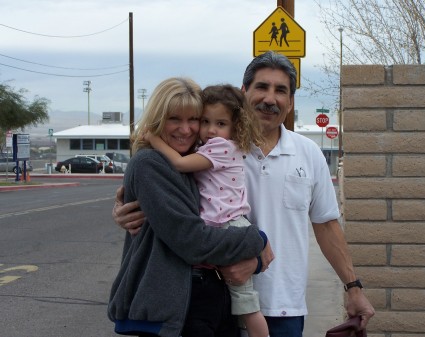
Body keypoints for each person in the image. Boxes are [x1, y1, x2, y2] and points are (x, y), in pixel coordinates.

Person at [112, 51, 375, 337]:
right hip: (216, 301)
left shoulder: (308, 153)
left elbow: (326, 224)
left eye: (281, 91)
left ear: (290, 102)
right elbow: (170, 208)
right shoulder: (207, 151)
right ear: (243, 92)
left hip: (284, 305)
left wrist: (353, 287)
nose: (270, 99)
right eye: (262, 87)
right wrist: (125, 208)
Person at [107, 77, 273, 337]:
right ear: (158, 119)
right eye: (175, 119)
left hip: (209, 298)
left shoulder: (196, 159)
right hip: (175, 309)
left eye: (193, 119)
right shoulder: (150, 163)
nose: (186, 129)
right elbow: (191, 240)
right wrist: (256, 240)